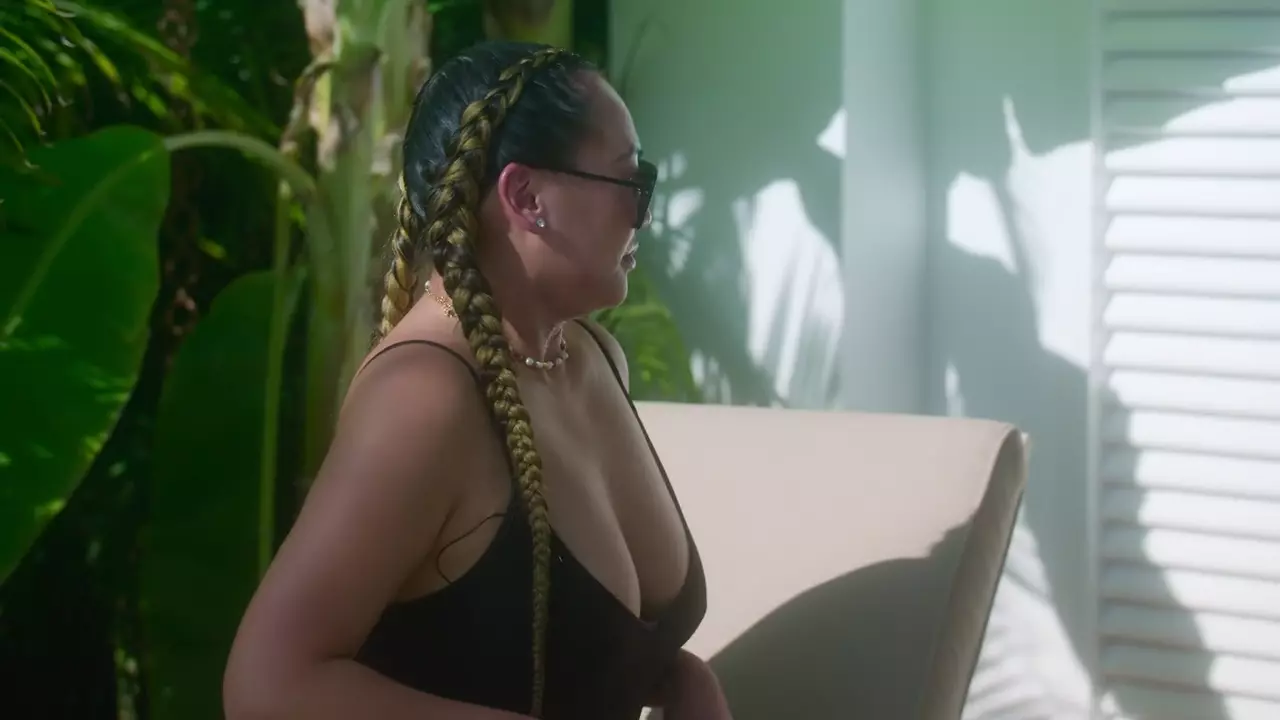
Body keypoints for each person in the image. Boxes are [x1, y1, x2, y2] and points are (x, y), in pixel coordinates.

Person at [222, 41, 732, 720]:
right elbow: (267, 685)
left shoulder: (592, 358)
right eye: (630, 181)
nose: (645, 210)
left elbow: (588, 643)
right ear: (526, 196)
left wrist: (684, 680)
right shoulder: (424, 396)